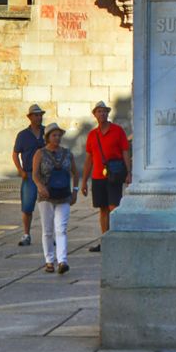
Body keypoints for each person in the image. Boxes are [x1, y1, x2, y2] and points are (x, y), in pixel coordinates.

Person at [81, 100, 131, 252]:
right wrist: (83, 182)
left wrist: (129, 173)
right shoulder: (92, 135)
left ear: (108, 113)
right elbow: (89, 159)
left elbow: (125, 152)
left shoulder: (117, 130)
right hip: (98, 176)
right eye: (99, 111)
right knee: (102, 209)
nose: (102, 114)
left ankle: (116, 238)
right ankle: (105, 240)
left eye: (104, 111)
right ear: (95, 114)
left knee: (113, 207)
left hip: (114, 174)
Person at [33, 121, 78, 274]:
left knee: (61, 228)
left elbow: (75, 173)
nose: (57, 138)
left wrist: (75, 191)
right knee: (47, 230)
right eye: (54, 135)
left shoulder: (67, 153)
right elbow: (35, 174)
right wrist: (40, 186)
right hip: (46, 196)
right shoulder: (40, 153)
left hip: (64, 195)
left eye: (59, 135)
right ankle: (49, 260)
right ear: (48, 137)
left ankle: (63, 261)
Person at [12, 103, 45, 247]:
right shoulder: (23, 135)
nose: (39, 118)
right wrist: (20, 170)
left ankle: (48, 234)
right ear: (30, 117)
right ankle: (26, 234)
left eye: (40, 115)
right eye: (36, 115)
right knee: (27, 206)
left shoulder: (47, 132)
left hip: (45, 174)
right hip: (29, 174)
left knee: (48, 205)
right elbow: (15, 154)